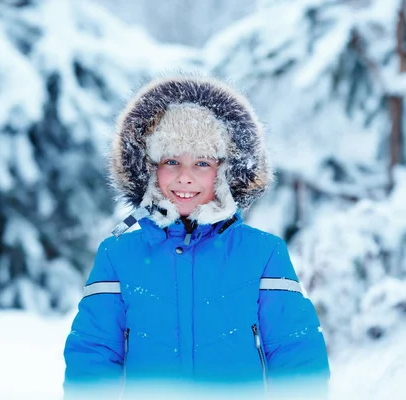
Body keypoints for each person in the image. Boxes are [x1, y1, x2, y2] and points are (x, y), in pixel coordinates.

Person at [63, 76, 330, 399]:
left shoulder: (264, 254)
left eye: (202, 162)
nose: (185, 177)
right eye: (171, 160)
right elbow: (94, 353)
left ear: (224, 171)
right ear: (149, 168)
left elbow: (295, 351)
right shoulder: (117, 256)